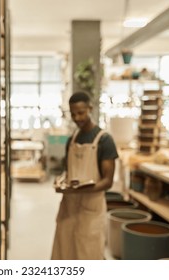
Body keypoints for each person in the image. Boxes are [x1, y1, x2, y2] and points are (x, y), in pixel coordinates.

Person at [51, 91, 119, 260]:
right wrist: (61, 181)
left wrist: (80, 189)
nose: (77, 118)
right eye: (73, 114)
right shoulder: (71, 140)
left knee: (89, 254)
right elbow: (67, 171)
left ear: (90, 108)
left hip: (91, 208)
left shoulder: (104, 140)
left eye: (81, 113)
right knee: (65, 252)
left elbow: (108, 181)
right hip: (69, 207)